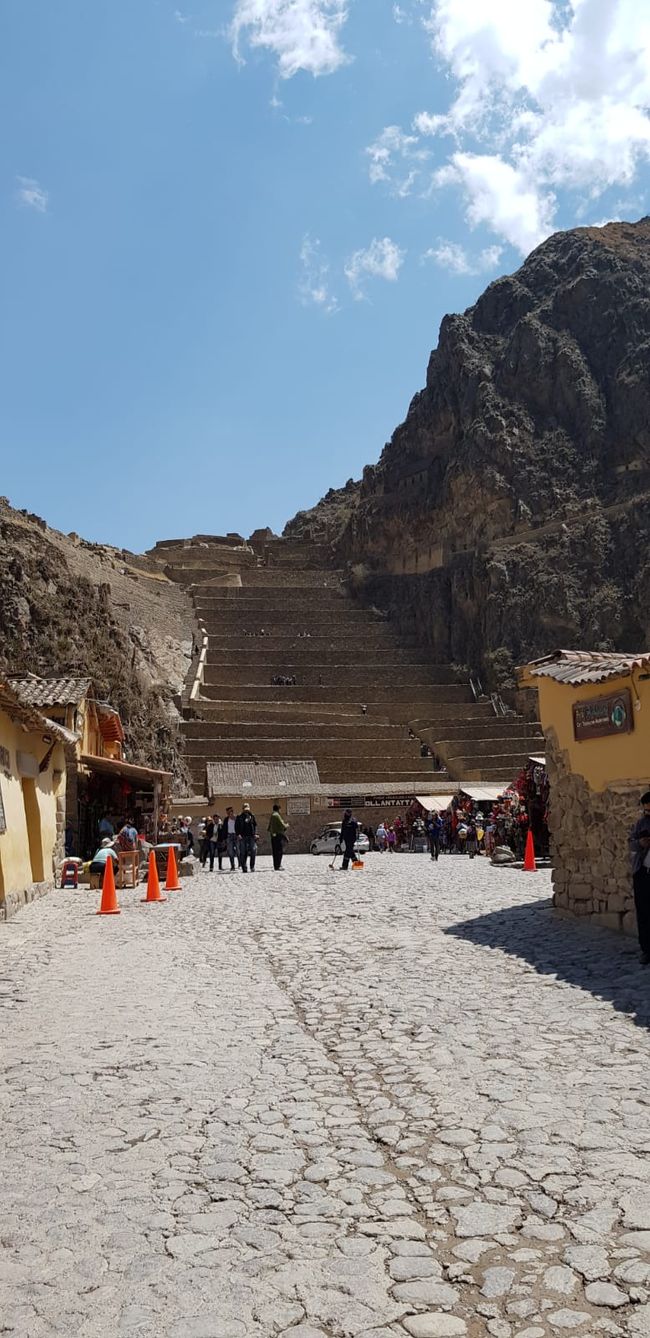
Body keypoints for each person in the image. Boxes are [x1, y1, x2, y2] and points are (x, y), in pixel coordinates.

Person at [630, 791, 650, 964]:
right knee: (643, 913)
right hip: (643, 873)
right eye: (646, 810)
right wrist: (640, 843)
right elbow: (631, 843)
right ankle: (646, 950)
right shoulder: (640, 824)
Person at [236, 802, 257, 871]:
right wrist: (238, 834)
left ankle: (252, 866)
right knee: (243, 852)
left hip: (251, 836)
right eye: (245, 810)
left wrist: (256, 834)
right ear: (243, 809)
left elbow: (255, 825)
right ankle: (244, 866)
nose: (246, 811)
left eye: (247, 809)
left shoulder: (252, 816)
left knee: (253, 850)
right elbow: (236, 827)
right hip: (243, 836)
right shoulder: (239, 817)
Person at [268, 802, 288, 870]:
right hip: (278, 835)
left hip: (273, 836)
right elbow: (282, 825)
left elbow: (269, 827)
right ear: (278, 809)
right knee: (279, 851)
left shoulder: (272, 815)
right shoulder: (276, 815)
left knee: (275, 851)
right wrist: (286, 825)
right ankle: (278, 865)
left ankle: (276, 865)